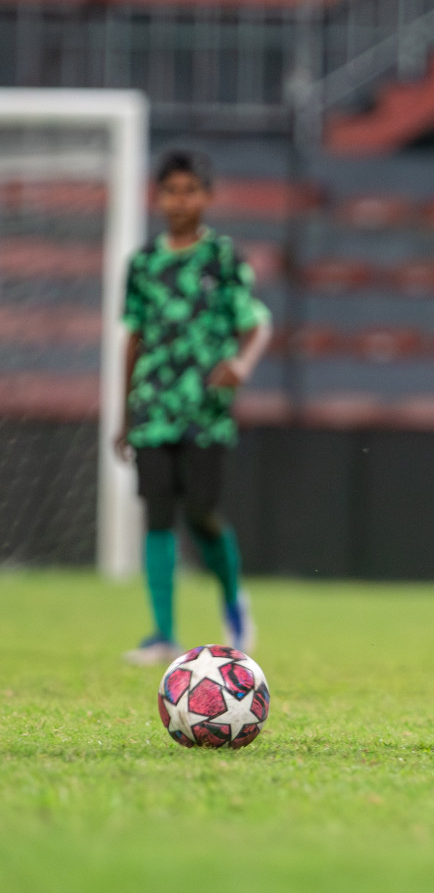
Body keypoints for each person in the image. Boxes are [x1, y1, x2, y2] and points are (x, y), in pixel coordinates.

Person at [118, 150, 270, 665]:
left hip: (205, 409)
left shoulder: (223, 258)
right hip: (153, 408)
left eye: (189, 190)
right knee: (157, 514)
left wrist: (243, 364)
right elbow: (133, 338)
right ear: (156, 197)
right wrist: (123, 414)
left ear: (206, 196)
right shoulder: (142, 263)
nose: (179, 200)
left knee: (202, 513)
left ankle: (232, 602)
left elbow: (256, 323)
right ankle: (162, 633)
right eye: (170, 191)